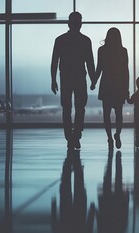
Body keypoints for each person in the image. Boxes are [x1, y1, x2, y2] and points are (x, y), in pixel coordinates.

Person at [51, 11, 95, 149]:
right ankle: (75, 134)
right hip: (80, 77)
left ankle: (70, 136)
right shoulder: (85, 40)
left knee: (67, 108)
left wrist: (53, 79)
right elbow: (90, 62)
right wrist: (93, 79)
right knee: (79, 107)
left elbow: (54, 62)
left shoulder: (60, 40)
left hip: (66, 78)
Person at [90, 27, 129, 150]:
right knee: (118, 114)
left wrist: (94, 82)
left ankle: (109, 138)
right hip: (118, 85)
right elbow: (125, 71)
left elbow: (99, 68)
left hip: (106, 85)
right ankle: (117, 134)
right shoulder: (123, 51)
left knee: (106, 115)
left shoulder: (102, 50)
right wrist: (126, 88)